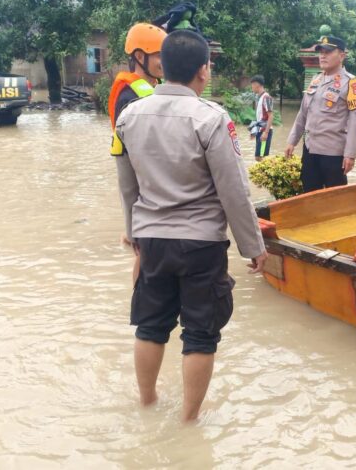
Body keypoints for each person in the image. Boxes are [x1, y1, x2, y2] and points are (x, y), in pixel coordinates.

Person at [114, 30, 269, 422]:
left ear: (162, 66)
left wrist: (133, 232)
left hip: (152, 240)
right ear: (204, 70)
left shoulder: (129, 116)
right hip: (200, 244)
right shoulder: (211, 118)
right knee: (200, 335)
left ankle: (147, 403)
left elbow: (126, 183)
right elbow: (233, 191)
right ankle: (188, 422)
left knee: (150, 327)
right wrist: (253, 247)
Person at [109, 22, 168, 283]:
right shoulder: (129, 95)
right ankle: (142, 307)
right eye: (159, 56)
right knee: (143, 254)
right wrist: (132, 224)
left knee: (145, 253)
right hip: (145, 184)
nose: (163, 62)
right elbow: (129, 167)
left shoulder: (151, 86)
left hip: (153, 184)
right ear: (140, 57)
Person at [284, 34, 356, 192]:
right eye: (321, 52)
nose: (322, 55)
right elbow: (303, 114)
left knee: (335, 201)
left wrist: (350, 154)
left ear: (341, 55)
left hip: (333, 155)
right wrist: (291, 141)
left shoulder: (351, 83)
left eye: (328, 52)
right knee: (309, 196)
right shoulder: (315, 80)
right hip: (309, 150)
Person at [249, 74, 274, 161]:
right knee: (259, 157)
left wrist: (266, 133)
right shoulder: (260, 98)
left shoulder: (266, 97)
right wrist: (254, 131)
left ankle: (268, 173)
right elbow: (260, 119)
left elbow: (271, 116)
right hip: (260, 131)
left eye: (252, 85)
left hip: (265, 132)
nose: (251, 87)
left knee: (261, 157)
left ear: (257, 85)